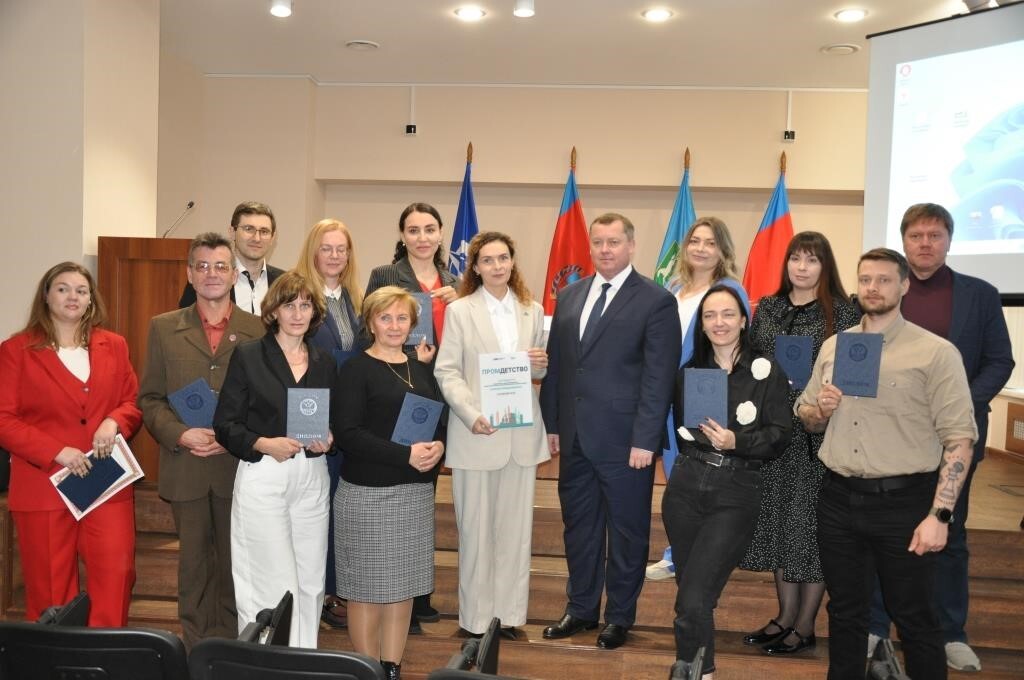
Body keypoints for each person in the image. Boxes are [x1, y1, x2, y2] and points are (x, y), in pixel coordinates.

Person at [796, 248, 977, 680]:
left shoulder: (935, 352)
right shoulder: (835, 346)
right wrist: (820, 410)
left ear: (904, 285)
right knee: (844, 612)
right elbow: (806, 417)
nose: (873, 288)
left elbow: (959, 439)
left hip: (904, 503)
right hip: (838, 498)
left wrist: (939, 515)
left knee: (915, 616)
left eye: (883, 280)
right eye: (865, 280)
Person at [867, 204, 1014, 673]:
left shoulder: (980, 295)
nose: (925, 243)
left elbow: (1000, 361)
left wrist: (958, 404)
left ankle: (951, 632)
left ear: (950, 240)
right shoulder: (883, 291)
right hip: (890, 436)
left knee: (949, 533)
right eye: (916, 235)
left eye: (934, 235)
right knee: (884, 533)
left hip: (955, 437)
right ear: (904, 241)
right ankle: (876, 626)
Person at [539, 212, 681, 650]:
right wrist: (552, 423)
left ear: (631, 246)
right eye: (598, 242)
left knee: (627, 533)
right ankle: (580, 609)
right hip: (574, 438)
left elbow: (658, 378)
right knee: (578, 528)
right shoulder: (569, 295)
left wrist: (646, 439)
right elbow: (559, 367)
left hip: (626, 443)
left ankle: (619, 616)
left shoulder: (656, 301)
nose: (605, 249)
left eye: (614, 242)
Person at [138, 233, 265, 650]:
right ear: (190, 274)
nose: (212, 274)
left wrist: (234, 438)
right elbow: (150, 398)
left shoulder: (258, 329)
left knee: (234, 565)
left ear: (234, 274)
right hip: (186, 465)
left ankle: (228, 651)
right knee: (192, 567)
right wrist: (180, 433)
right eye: (203, 266)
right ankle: (195, 652)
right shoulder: (163, 327)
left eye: (221, 266)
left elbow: (265, 402)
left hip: (236, 467)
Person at [738, 232, 860, 656]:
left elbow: (850, 373)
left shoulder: (843, 312)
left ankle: (805, 624)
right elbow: (751, 362)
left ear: (825, 267)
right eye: (795, 258)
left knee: (808, 530)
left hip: (818, 435)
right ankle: (784, 615)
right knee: (778, 525)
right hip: (774, 433)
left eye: (811, 259)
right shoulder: (769, 307)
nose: (802, 267)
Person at [0, 262, 142, 626]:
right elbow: (4, 419)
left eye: (81, 290)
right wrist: (55, 452)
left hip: (104, 481)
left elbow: (131, 402)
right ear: (46, 296)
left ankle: (106, 653)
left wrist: (114, 421)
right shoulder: (16, 349)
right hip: (43, 483)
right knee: (49, 585)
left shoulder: (114, 345)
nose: (72, 296)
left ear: (91, 299)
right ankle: (55, 656)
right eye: (62, 288)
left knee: (116, 573)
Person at [664, 284, 792, 679]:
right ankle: (700, 671)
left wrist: (738, 442)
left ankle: (692, 670)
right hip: (685, 486)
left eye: (727, 314)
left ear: (742, 320)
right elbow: (684, 433)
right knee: (690, 593)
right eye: (710, 316)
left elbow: (780, 436)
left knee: (694, 597)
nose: (719, 322)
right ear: (701, 326)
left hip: (736, 490)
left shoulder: (766, 371)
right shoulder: (689, 374)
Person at [433, 231, 550, 639]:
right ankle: (476, 620)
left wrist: (540, 364)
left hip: (520, 435)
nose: (497, 266)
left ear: (513, 262)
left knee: (516, 534)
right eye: (488, 260)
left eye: (503, 258)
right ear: (476, 267)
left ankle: (508, 616)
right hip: (477, 435)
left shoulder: (532, 310)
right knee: (476, 532)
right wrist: (471, 414)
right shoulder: (460, 311)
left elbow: (536, 372)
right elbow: (447, 371)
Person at [213, 271, 336, 648]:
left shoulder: (324, 361)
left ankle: (302, 660)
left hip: (312, 474)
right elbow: (225, 425)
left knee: (310, 582)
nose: (298, 314)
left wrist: (329, 439)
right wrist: (265, 444)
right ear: (274, 311)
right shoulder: (250, 355)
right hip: (264, 472)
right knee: (270, 581)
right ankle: (265, 664)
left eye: (305, 305)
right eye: (289, 305)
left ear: (315, 312)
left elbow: (333, 420)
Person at [334, 286, 446, 680]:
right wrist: (405, 456)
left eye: (402, 318)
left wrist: (439, 447)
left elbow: (438, 421)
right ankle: (368, 672)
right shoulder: (356, 370)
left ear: (413, 323)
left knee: (403, 589)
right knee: (366, 592)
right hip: (368, 496)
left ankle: (392, 668)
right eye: (385, 318)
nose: (394, 326)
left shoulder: (421, 368)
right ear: (371, 322)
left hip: (414, 495)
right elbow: (348, 433)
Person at [365, 201, 457, 628]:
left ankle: (417, 595)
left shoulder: (456, 283)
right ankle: (391, 595)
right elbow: (371, 332)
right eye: (414, 230)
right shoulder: (385, 275)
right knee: (393, 499)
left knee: (422, 500)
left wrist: (462, 301)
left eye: (430, 229)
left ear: (440, 234)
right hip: (393, 394)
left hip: (437, 399)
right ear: (402, 235)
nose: (422, 237)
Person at [647, 217, 749, 582]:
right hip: (667, 394)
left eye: (710, 242)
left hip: (705, 394)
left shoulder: (729, 290)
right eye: (695, 241)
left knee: (700, 478)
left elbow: (740, 348)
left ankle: (699, 557)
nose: (701, 248)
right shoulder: (674, 287)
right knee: (677, 478)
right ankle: (679, 553)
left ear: (722, 250)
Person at [294, 218, 365, 630]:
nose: (335, 256)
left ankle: (334, 591)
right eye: (327, 248)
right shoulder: (299, 298)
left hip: (348, 419)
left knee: (339, 508)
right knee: (314, 510)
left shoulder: (356, 299)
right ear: (313, 252)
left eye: (342, 249)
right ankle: (314, 595)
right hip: (313, 420)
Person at [179, 201, 284, 314]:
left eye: (264, 231)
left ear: (272, 238)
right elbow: (186, 321)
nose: (257, 238)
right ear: (232, 232)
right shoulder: (208, 279)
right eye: (249, 229)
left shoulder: (283, 281)